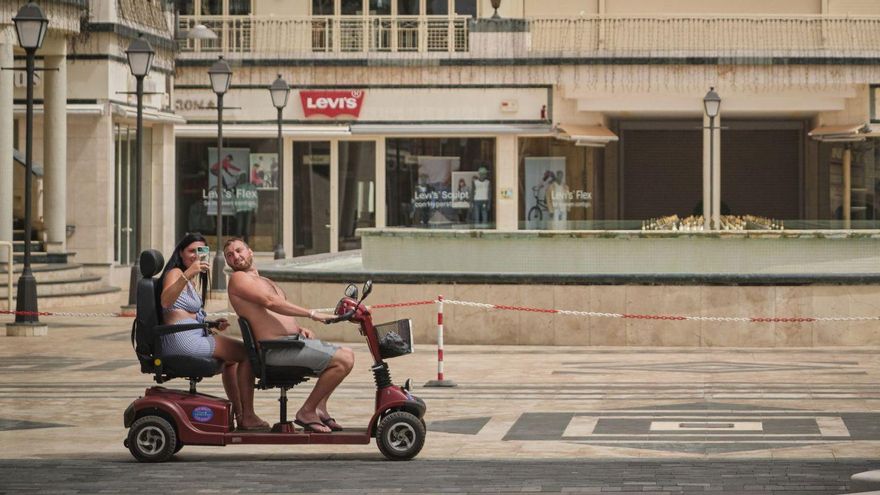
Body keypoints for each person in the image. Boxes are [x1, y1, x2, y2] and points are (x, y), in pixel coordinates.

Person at [223, 237, 355, 433]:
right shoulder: (239, 279)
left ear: (250, 252)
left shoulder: (262, 280)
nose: (235, 256)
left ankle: (319, 408)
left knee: (346, 354)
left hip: (290, 343)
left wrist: (299, 329)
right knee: (343, 359)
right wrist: (311, 314)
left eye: (239, 250)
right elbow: (270, 302)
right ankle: (307, 411)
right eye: (229, 255)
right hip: (276, 350)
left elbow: (273, 313)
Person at [159, 233, 268, 431]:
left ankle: (240, 413)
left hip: (190, 334)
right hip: (183, 339)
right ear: (181, 253)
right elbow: (166, 302)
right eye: (191, 251)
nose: (195, 255)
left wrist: (211, 324)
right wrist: (188, 273)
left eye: (201, 251)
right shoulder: (176, 273)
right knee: (246, 354)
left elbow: (185, 313)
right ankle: (247, 415)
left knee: (232, 359)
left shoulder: (190, 280)